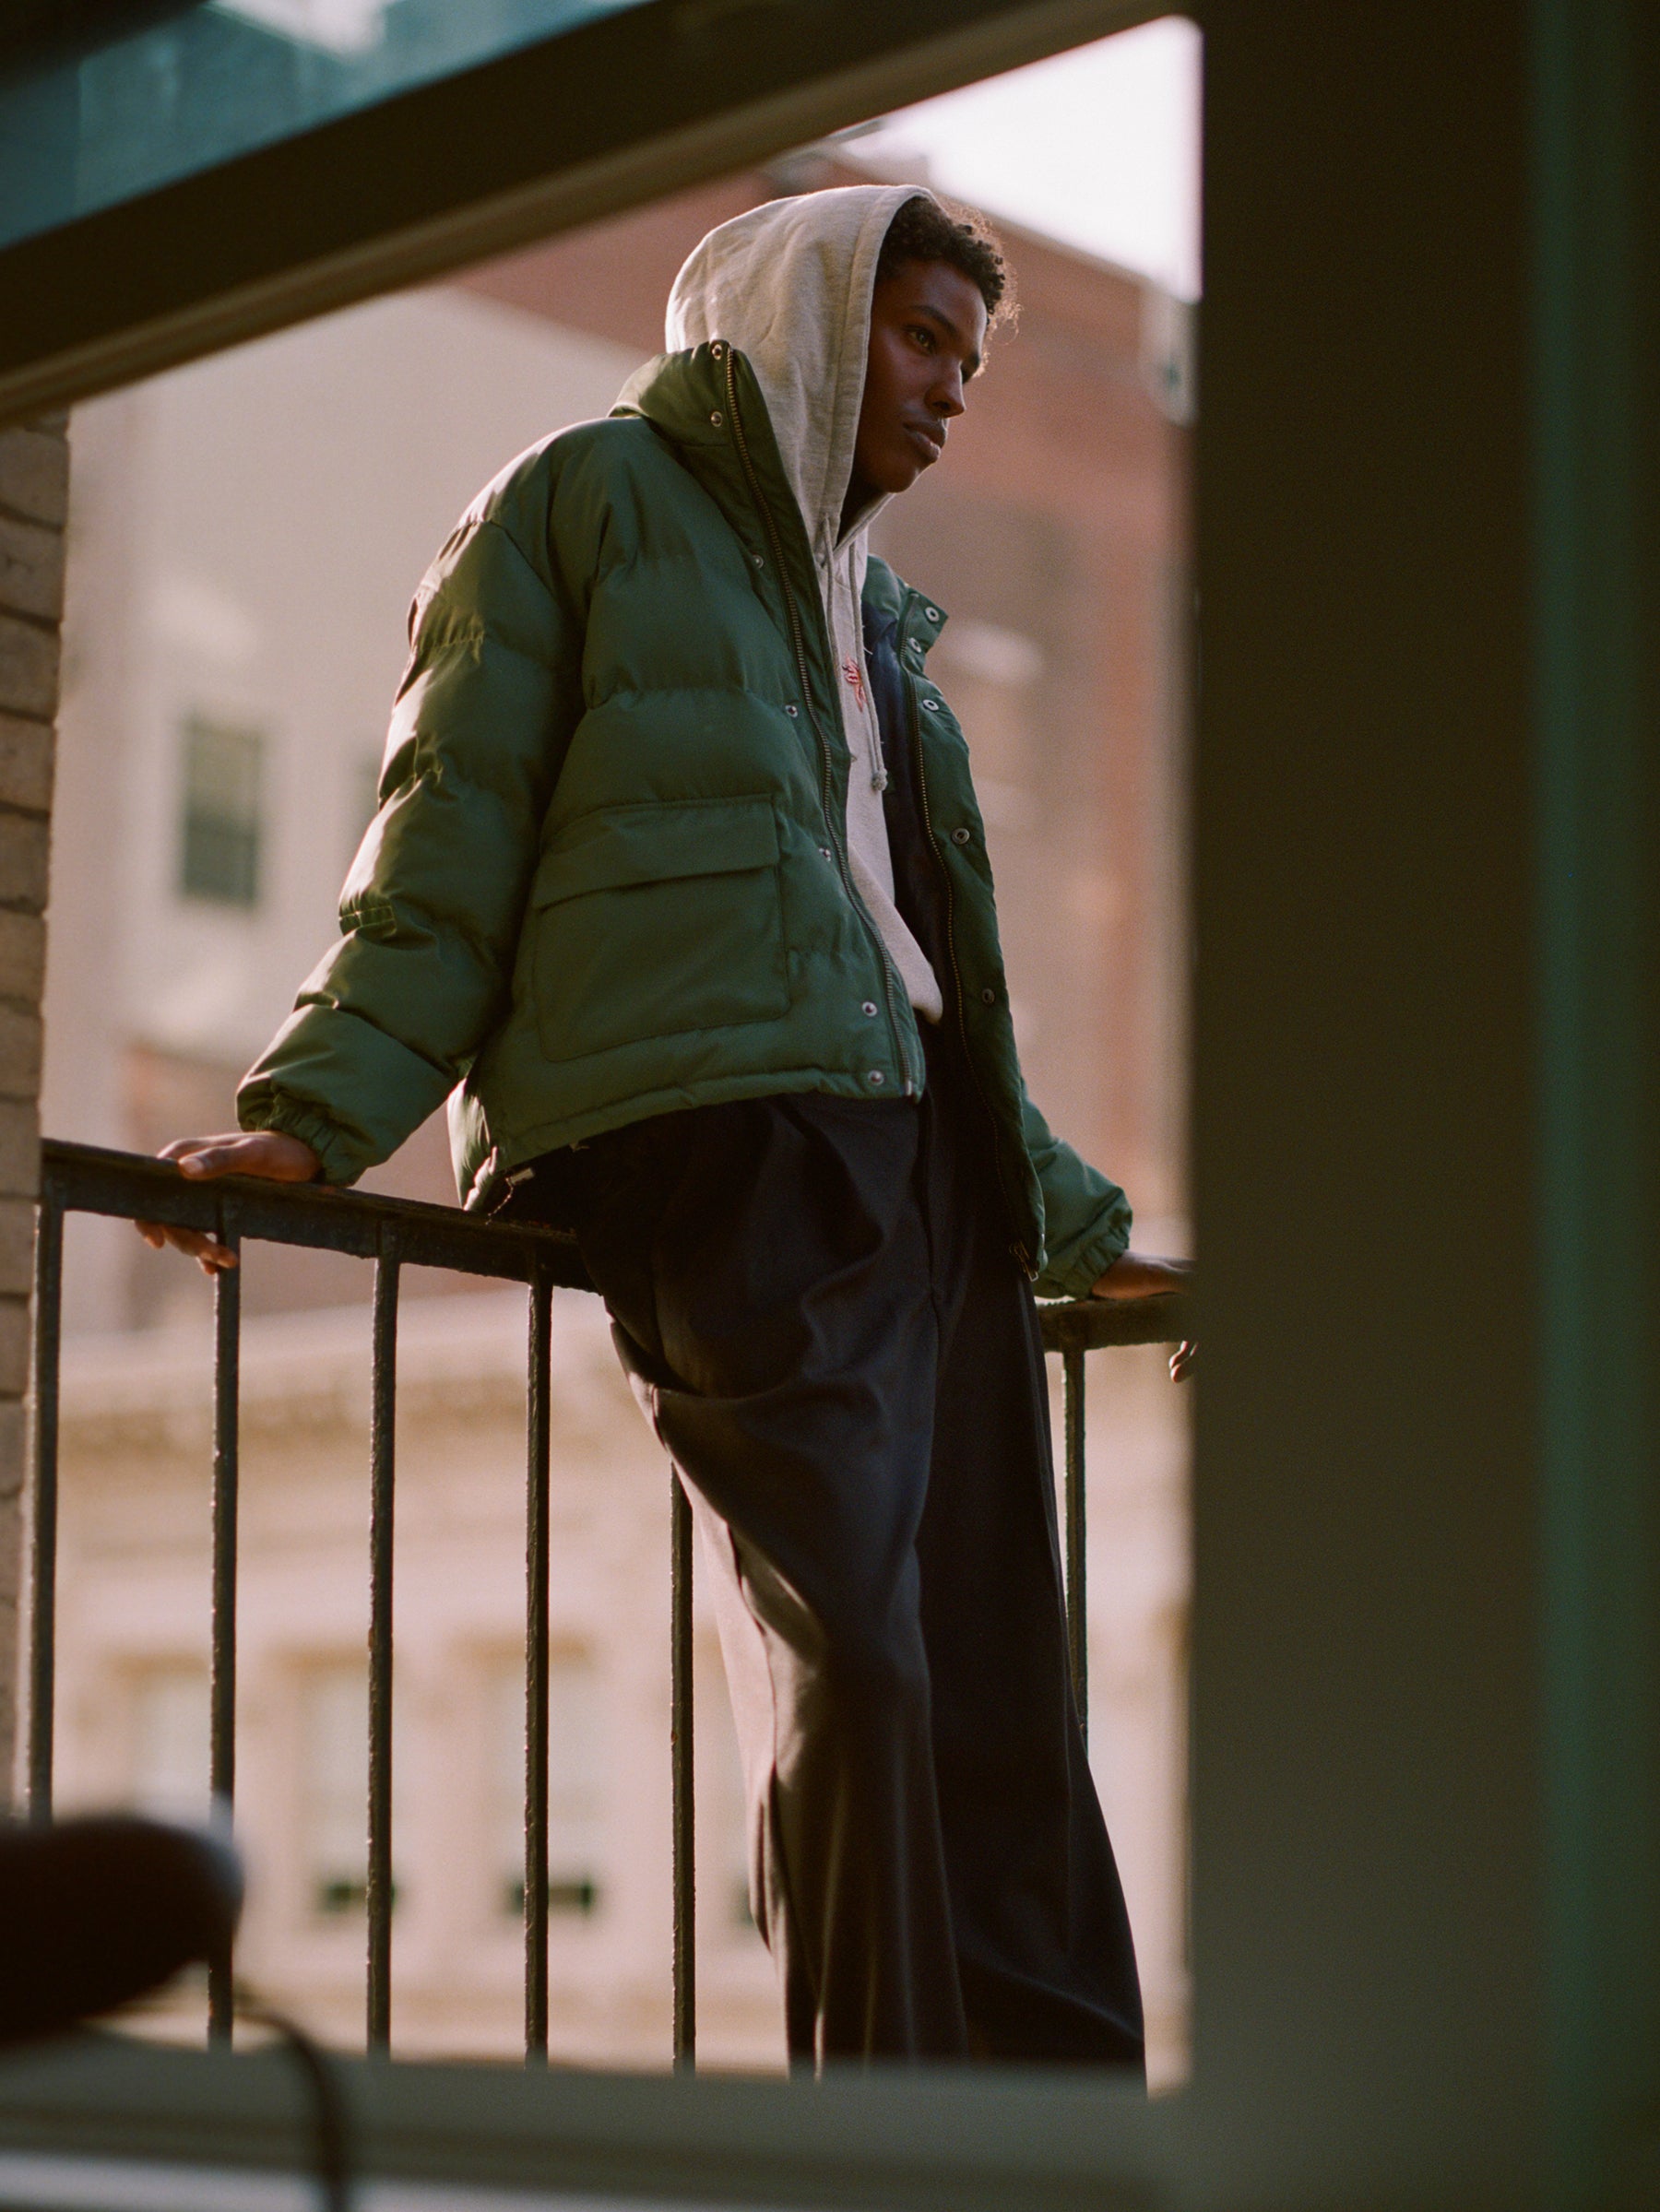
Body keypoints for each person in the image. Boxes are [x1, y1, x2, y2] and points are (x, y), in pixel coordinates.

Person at [138, 185, 1192, 2071]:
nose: (952, 393)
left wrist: (1070, 1216)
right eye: (922, 337)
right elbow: (452, 822)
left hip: (920, 1171)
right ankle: (886, 2138)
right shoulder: (586, 499)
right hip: (718, 1139)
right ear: (807, 309)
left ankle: (1058, 2141)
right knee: (859, 1664)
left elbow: (940, 970)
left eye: (972, 358)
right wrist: (319, 1114)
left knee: (996, 1690)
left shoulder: (878, 619)